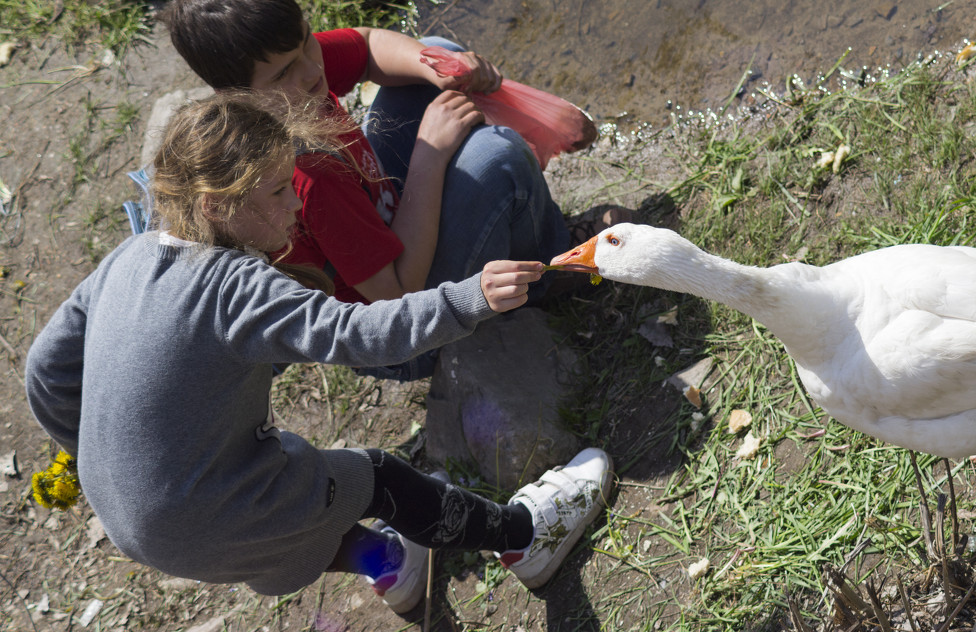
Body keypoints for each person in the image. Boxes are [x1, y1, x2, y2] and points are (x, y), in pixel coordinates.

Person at [24, 93, 614, 615]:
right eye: (279, 192)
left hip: (132, 520)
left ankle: (391, 566)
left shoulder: (129, 259)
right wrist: (467, 298)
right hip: (206, 510)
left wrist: (96, 448)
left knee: (295, 505)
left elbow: (44, 372)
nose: (294, 207)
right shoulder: (234, 287)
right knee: (376, 477)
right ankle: (526, 537)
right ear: (215, 206)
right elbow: (358, 334)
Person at [162, 0, 617, 327]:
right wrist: (429, 156)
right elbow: (401, 295)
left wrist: (438, 68)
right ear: (236, 95)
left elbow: (367, 44)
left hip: (384, 217)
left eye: (306, 40)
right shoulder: (303, 176)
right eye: (283, 72)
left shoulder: (292, 82)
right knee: (494, 155)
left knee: (433, 52)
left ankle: (522, 236)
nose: (310, 70)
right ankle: (551, 267)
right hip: (401, 326)